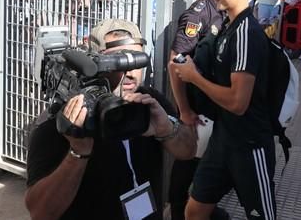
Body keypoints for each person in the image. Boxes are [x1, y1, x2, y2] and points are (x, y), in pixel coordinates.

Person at [25, 19, 197, 220]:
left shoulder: (149, 104)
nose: (131, 73)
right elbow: (40, 212)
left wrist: (168, 130)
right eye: (119, 61)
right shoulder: (62, 120)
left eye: (137, 61)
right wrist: (77, 153)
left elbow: (188, 151)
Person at [171, 0, 276, 220]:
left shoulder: (246, 33)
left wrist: (194, 77)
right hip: (223, 140)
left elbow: (238, 103)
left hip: (250, 145)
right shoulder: (229, 27)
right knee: (194, 211)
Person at [167, 0, 228, 220]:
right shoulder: (200, 14)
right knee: (186, 171)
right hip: (197, 111)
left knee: (207, 174)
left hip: (218, 109)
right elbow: (175, 63)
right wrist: (184, 109)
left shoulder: (231, 15)